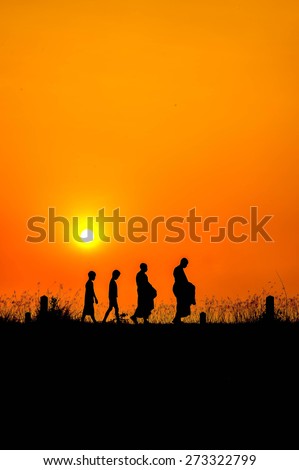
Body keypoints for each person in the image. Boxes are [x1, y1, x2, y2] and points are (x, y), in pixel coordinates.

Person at [172, 258, 196, 324]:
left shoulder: (179, 269)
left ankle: (177, 318)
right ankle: (177, 319)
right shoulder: (178, 269)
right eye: (186, 264)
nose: (186, 265)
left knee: (182, 303)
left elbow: (184, 281)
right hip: (179, 288)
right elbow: (181, 280)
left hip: (180, 288)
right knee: (181, 303)